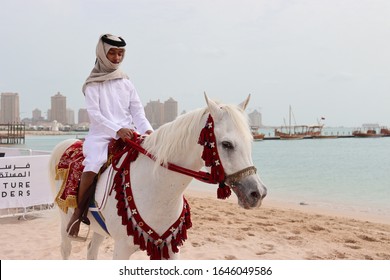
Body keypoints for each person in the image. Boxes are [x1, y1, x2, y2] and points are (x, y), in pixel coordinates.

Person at [66, 34, 153, 239]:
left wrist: (148, 131)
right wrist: (117, 131)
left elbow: (138, 112)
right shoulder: (92, 84)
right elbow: (95, 116)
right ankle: (78, 215)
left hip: (129, 132)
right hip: (101, 135)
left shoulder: (126, 82)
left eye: (120, 53)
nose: (116, 57)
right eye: (112, 53)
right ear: (102, 53)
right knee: (95, 162)